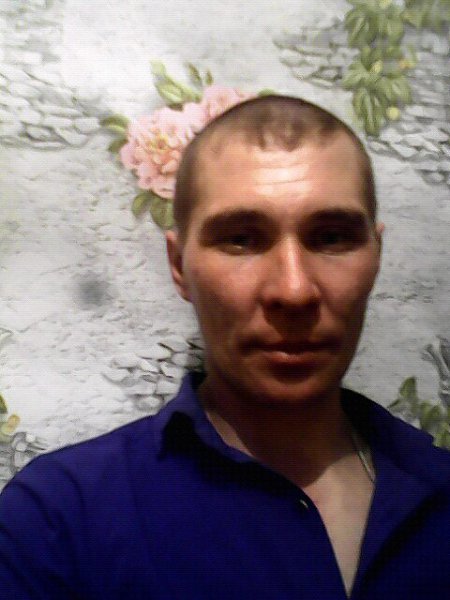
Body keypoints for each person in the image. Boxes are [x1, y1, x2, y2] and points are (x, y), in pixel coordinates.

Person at [0, 96, 449, 600]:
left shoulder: (439, 486)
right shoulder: (56, 520)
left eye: (331, 238)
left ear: (376, 255)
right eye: (241, 240)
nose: (294, 290)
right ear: (179, 266)